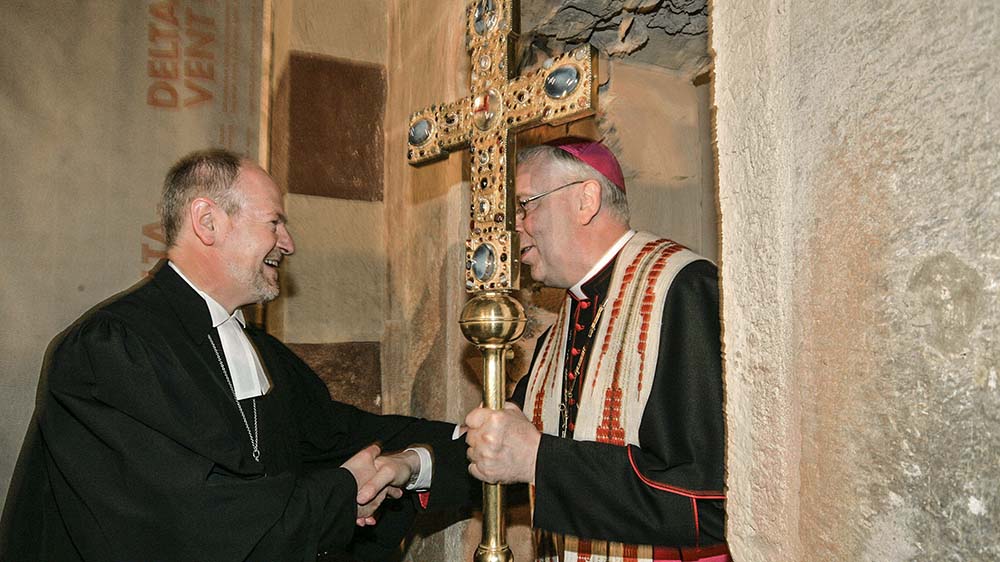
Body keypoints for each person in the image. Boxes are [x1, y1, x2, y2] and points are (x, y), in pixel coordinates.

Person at [0, 149, 468, 561]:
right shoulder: (109, 349)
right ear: (207, 222)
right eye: (274, 222)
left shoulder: (257, 350)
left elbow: (341, 435)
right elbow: (190, 523)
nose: (288, 243)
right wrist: (342, 494)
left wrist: (469, 444)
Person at [463, 139, 729, 561]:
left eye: (525, 205)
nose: (515, 226)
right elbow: (501, 444)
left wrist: (539, 461)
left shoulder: (682, 289)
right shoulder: (559, 331)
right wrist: (410, 466)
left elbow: (709, 502)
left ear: (585, 200)